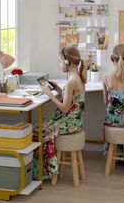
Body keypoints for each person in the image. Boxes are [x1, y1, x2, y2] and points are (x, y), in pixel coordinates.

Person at [33, 46, 87, 180]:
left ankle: (45, 170)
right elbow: (73, 102)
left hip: (69, 124)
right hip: (76, 122)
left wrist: (50, 94)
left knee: (37, 128)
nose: (59, 64)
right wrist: (58, 90)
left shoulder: (70, 83)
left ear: (67, 62)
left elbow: (65, 109)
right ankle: (45, 168)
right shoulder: (79, 78)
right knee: (42, 125)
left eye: (60, 61)